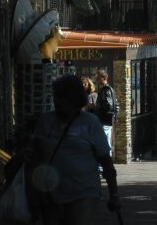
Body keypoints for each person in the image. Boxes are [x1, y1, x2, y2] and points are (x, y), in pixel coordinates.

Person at [30, 74, 120, 225]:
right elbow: (35, 157)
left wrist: (114, 195)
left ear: (75, 99)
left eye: (63, 97)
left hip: (83, 191)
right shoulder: (45, 122)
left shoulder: (90, 123)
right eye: (56, 97)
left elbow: (106, 162)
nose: (58, 101)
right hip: (50, 193)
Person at [95, 69, 119, 156]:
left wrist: (96, 107)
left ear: (104, 78)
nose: (96, 81)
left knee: (104, 142)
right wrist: (115, 117)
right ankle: (106, 164)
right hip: (107, 120)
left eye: (98, 79)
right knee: (106, 141)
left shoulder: (106, 90)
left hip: (104, 120)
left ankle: (104, 165)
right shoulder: (109, 89)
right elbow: (116, 105)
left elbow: (109, 106)